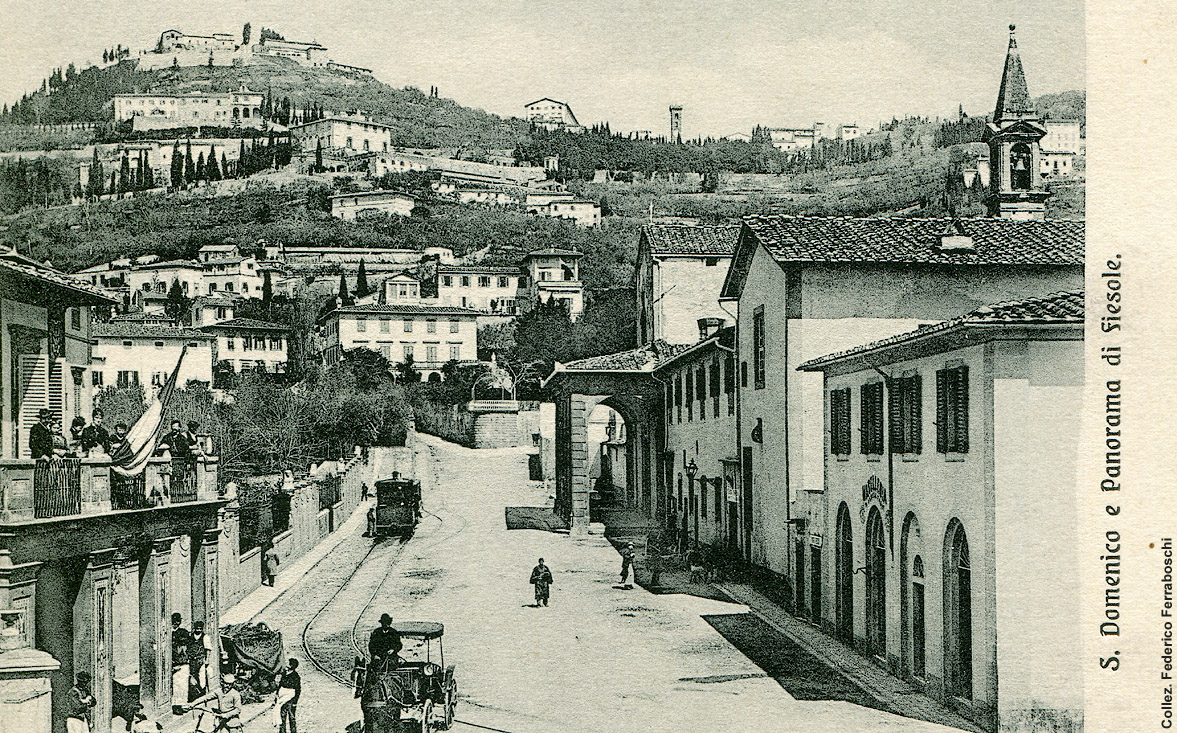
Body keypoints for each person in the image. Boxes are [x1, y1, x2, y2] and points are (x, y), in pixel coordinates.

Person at [171, 613, 192, 714]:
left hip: (183, 663)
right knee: (175, 686)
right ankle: (175, 705)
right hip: (173, 663)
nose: (176, 623)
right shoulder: (168, 633)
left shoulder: (183, 632)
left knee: (182, 686)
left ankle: (181, 705)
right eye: (174, 621)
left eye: (178, 621)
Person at [274, 658, 300, 733]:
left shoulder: (295, 676)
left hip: (290, 699)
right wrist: (276, 695)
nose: (286, 664)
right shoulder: (284, 674)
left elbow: (298, 690)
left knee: (292, 717)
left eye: (288, 663)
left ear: (291, 665)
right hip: (282, 698)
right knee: (282, 716)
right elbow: (280, 685)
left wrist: (295, 702)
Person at [189, 620, 213, 697]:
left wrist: (207, 660)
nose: (198, 630)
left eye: (200, 629)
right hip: (192, 660)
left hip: (201, 660)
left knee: (201, 677)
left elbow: (208, 649)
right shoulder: (191, 636)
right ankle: (194, 695)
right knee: (192, 677)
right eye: (197, 628)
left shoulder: (205, 637)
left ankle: (202, 694)